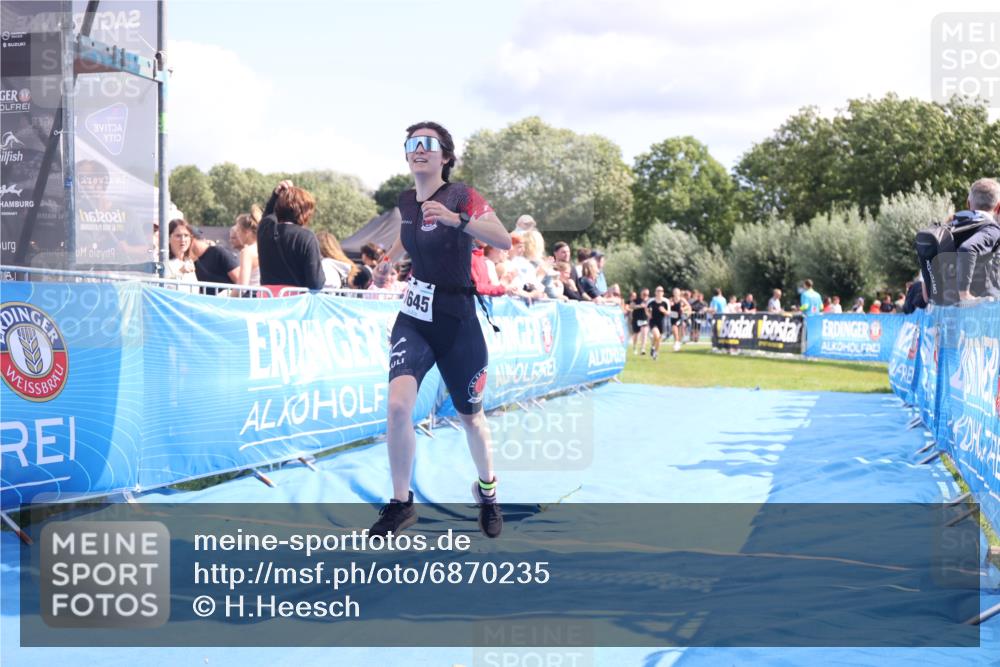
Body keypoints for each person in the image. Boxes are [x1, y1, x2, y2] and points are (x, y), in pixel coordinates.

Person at [370, 121, 510, 539]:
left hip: (457, 320)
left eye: (428, 144)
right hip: (414, 317)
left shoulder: (461, 195)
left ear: (445, 156)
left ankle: (487, 493)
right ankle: (401, 503)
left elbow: (502, 239)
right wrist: (388, 262)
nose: (419, 150)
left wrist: (457, 220)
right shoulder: (405, 200)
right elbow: (407, 233)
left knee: (472, 420)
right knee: (398, 407)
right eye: (412, 144)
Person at [258, 181, 325, 289]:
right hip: (295, 302)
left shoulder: (264, 229)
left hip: (267, 301)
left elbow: (267, 215)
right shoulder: (307, 237)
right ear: (305, 212)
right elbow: (316, 283)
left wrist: (275, 195)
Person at [955, 178, 1000, 300]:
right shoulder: (992, 230)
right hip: (984, 308)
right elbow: (967, 248)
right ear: (998, 207)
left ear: (968, 203)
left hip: (949, 307)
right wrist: (964, 294)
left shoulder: (954, 227)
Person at [189, 224, 239, 294]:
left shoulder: (218, 252)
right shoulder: (193, 262)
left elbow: (239, 281)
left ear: (191, 238)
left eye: (185, 236)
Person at [164, 219, 199, 292]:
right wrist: (180, 272)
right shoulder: (162, 262)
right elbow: (162, 288)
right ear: (169, 238)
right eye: (178, 236)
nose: (183, 240)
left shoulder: (189, 262)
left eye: (186, 235)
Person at [234, 207, 262, 287]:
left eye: (238, 230)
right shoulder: (264, 248)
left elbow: (242, 285)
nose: (237, 234)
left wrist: (229, 299)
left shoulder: (247, 252)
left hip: (251, 296)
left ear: (247, 232)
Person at [647, 286, 670, 360]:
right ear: (655, 292)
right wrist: (648, 314)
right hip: (653, 321)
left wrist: (664, 311)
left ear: (663, 292)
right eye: (658, 291)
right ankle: (654, 350)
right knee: (656, 335)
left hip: (662, 321)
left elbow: (668, 313)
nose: (659, 292)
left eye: (661, 291)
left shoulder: (666, 301)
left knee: (658, 339)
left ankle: (655, 351)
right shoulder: (651, 300)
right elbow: (646, 308)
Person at [629, 288, 650, 354]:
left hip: (644, 319)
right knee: (636, 335)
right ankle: (635, 347)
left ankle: (643, 349)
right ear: (641, 293)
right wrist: (640, 306)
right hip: (636, 319)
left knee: (644, 333)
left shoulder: (649, 301)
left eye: (647, 294)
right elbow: (631, 306)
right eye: (644, 294)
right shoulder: (636, 300)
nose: (645, 296)